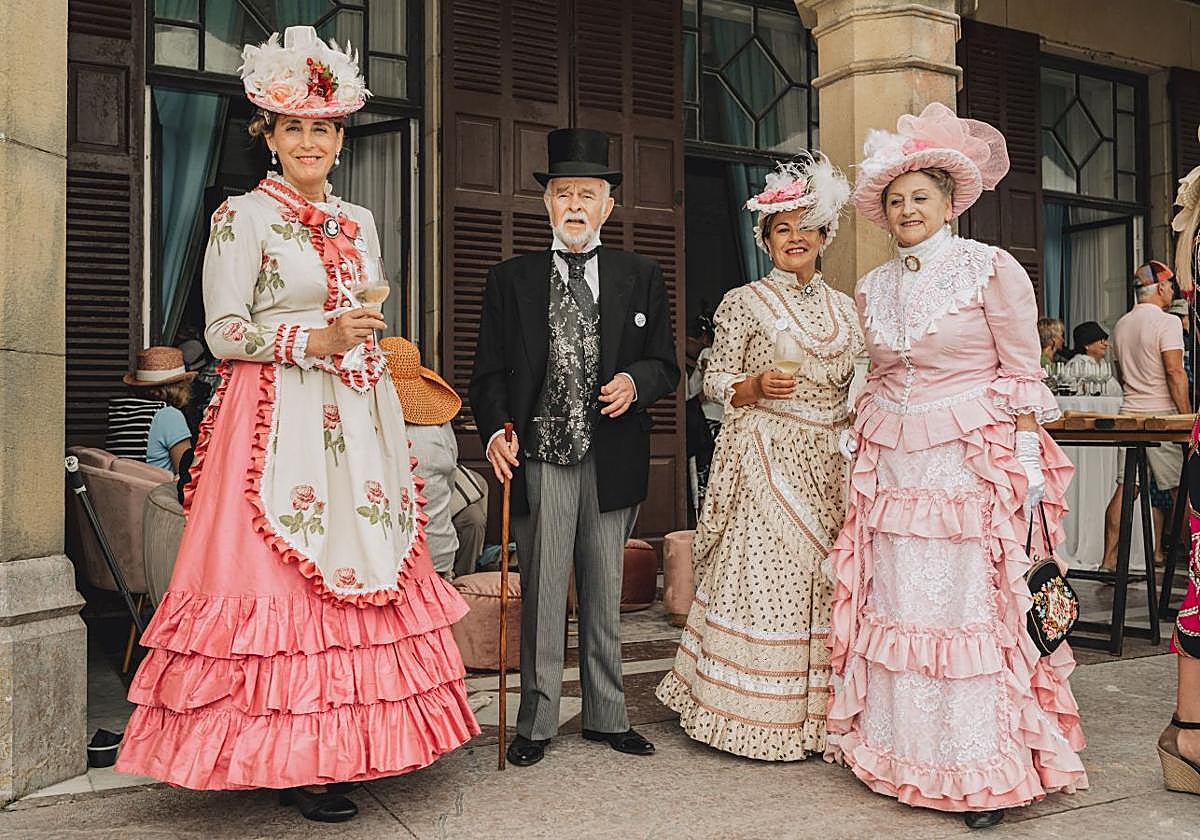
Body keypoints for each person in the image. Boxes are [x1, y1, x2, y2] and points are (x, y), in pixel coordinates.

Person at [114, 27, 478, 822]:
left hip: (357, 405)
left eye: (323, 127)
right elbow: (222, 333)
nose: (309, 140)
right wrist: (311, 338)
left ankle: (351, 744)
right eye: (294, 128)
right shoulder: (240, 218)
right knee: (287, 572)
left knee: (368, 554)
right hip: (279, 415)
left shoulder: (360, 220)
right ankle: (292, 758)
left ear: (341, 140)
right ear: (269, 138)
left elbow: (369, 313)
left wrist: (360, 347)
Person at [828, 102, 1087, 830]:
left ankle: (987, 769)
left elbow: (1022, 370)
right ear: (883, 213)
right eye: (897, 200)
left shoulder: (988, 268)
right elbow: (878, 375)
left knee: (970, 609)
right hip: (898, 470)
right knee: (904, 604)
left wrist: (1030, 461)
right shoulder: (873, 287)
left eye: (921, 197)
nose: (908, 209)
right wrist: (861, 437)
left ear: (948, 203)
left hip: (968, 465)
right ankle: (902, 753)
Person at [470, 127, 679, 767]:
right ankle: (535, 723)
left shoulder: (639, 275)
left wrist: (634, 383)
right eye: (564, 194)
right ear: (548, 204)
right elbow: (486, 375)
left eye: (588, 194)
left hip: (610, 453)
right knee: (542, 588)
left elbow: (666, 366)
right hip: (538, 454)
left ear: (608, 205)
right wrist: (496, 432)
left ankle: (607, 716)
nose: (575, 206)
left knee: (603, 587)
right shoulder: (510, 279)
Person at [655, 155, 861, 760]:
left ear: (825, 235)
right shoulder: (744, 301)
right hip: (766, 456)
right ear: (766, 239)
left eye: (806, 227)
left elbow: (856, 381)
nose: (794, 238)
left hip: (830, 461)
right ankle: (749, 713)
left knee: (823, 583)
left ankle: (817, 717)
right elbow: (712, 381)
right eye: (781, 229)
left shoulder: (846, 309)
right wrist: (753, 387)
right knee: (770, 577)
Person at [1100, 260, 1189, 572]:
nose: (1173, 293)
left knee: (1127, 488)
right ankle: (1194, 560)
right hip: (1161, 417)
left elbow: (1121, 375)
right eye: (1172, 287)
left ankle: (1108, 559)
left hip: (1129, 413)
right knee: (1181, 490)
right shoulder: (1168, 323)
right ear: (1162, 288)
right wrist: (1187, 417)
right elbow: (1175, 372)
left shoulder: (1121, 324)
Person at [380, 335, 468, 578]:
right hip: (439, 554)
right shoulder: (439, 428)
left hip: (390, 561)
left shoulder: (369, 433)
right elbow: (450, 480)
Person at [106, 345, 194, 473]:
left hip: (125, 489)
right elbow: (186, 473)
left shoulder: (120, 411)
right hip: (156, 490)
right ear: (180, 387)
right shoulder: (169, 416)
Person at [1062, 321, 1120, 396]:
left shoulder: (1102, 364)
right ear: (1086, 345)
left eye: (1105, 340)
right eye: (1101, 341)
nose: (1106, 344)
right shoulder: (1078, 364)